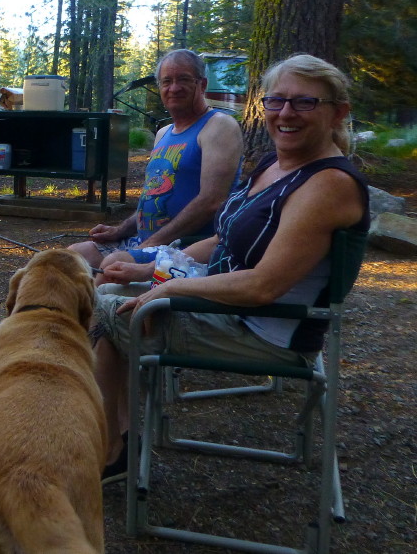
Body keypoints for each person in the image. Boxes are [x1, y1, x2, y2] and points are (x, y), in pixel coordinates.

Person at [90, 53, 370, 483]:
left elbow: (262, 286)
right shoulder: (275, 166)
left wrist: (167, 290)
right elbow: (221, 239)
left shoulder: (328, 184)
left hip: (263, 331)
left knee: (93, 306)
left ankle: (108, 445)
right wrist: (150, 267)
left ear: (338, 113)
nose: (286, 114)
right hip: (225, 306)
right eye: (276, 102)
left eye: (305, 103)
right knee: (108, 292)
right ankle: (118, 443)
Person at [70, 49, 243, 280]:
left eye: (183, 79)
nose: (174, 88)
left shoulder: (218, 126)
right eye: (167, 81)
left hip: (187, 248)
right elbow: (152, 198)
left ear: (202, 84)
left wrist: (151, 243)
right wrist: (121, 229)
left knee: (113, 265)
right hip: (143, 241)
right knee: (72, 258)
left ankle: (89, 315)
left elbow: (211, 201)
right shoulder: (163, 133)